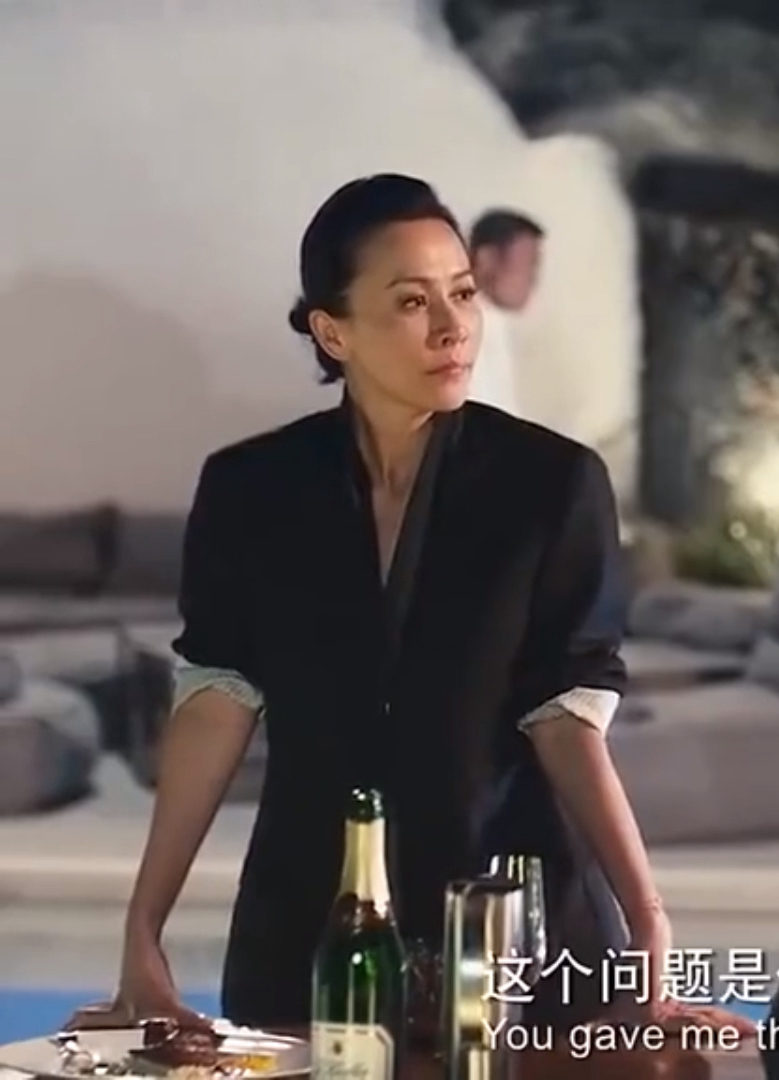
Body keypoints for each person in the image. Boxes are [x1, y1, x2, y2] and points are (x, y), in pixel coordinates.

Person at [83, 174, 686, 1032]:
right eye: (411, 301)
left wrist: (648, 921)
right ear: (333, 331)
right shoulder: (251, 489)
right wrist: (143, 926)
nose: (452, 327)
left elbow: (567, 716)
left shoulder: (551, 484)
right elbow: (216, 699)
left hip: (508, 935)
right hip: (309, 933)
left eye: (463, 293)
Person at [464, 208, 543, 413]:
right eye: (528, 264)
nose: (533, 278)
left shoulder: (494, 324)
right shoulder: (463, 327)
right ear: (487, 259)